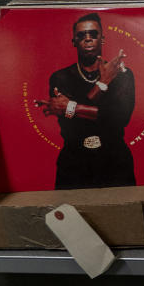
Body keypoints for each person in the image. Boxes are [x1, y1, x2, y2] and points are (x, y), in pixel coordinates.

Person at [34, 13, 135, 189]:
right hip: (74, 164)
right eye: (81, 35)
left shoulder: (122, 75)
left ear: (102, 39)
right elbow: (72, 124)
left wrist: (71, 106)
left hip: (115, 162)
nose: (88, 39)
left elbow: (120, 118)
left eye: (93, 34)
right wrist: (102, 84)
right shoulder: (61, 78)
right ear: (74, 41)